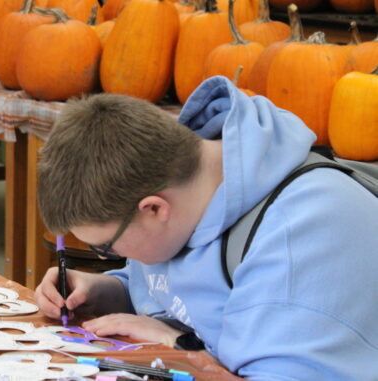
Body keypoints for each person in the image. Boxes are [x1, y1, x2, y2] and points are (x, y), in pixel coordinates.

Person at [34, 76, 378, 380]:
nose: (110, 255)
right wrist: (107, 290)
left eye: (106, 248)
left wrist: (178, 343)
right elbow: (172, 289)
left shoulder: (301, 236)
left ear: (154, 208)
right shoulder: (186, 190)